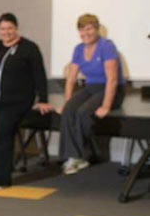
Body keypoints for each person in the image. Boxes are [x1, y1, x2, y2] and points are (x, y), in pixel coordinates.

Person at [40, 13, 125, 174]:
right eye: (82, 30)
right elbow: (71, 79)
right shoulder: (78, 49)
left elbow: (112, 79)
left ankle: (81, 157)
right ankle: (70, 157)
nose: (85, 33)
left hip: (112, 90)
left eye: (89, 29)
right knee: (69, 110)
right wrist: (67, 102)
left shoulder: (106, 46)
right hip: (91, 87)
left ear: (97, 29)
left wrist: (106, 106)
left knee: (83, 112)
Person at [0, 13, 51, 189]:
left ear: (16, 28)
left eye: (10, 28)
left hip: (18, 102)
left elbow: (39, 74)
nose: (6, 32)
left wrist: (42, 99)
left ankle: (1, 179)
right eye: (3, 29)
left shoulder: (29, 48)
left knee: (2, 134)